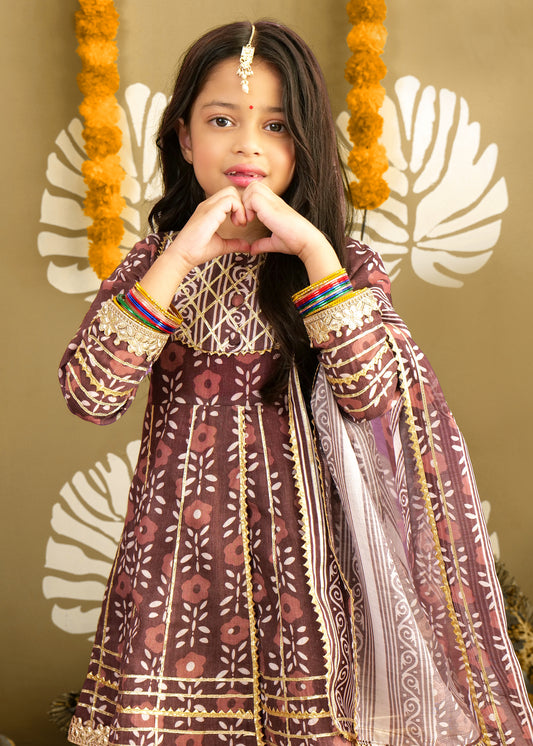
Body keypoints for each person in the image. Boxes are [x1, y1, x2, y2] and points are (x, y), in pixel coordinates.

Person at [60, 20, 533, 746]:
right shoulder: (156, 264)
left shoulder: (341, 264)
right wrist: (181, 257)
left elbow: (375, 398)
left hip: (310, 573)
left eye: (275, 125)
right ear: (185, 139)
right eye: (222, 120)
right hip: (177, 567)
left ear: (302, 144)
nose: (247, 144)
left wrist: (314, 252)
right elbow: (91, 395)